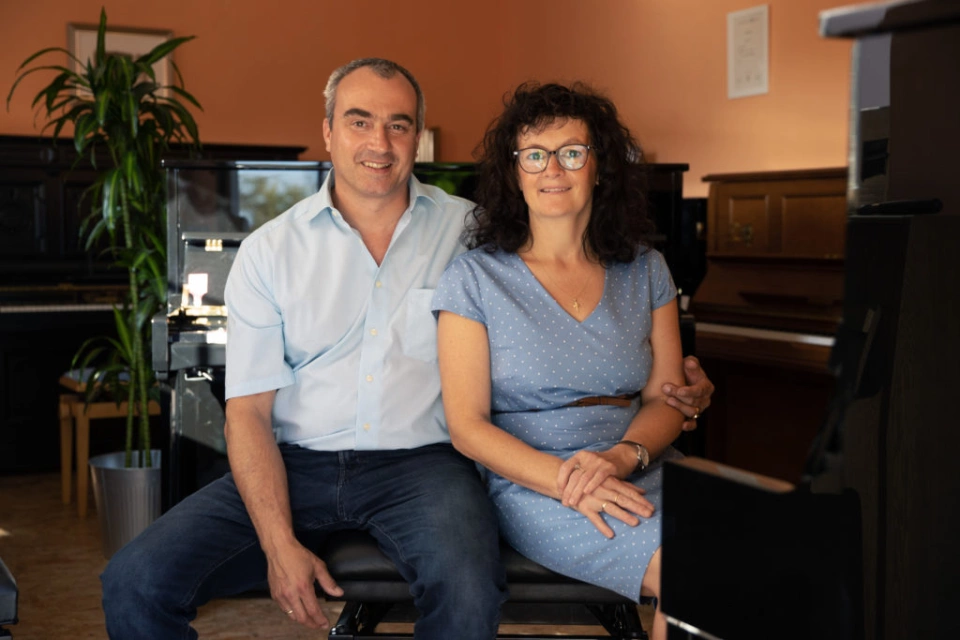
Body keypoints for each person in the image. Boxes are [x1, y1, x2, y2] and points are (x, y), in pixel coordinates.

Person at [100, 59, 712, 639]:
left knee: (468, 588)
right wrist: (278, 542)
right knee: (134, 581)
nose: (380, 141)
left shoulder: (473, 231)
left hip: (422, 467)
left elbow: (559, 286)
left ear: (418, 137)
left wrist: (680, 388)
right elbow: (248, 414)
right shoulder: (269, 250)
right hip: (296, 461)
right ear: (328, 132)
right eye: (359, 121)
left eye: (399, 124)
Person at [432, 81, 694, 640]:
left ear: (600, 168)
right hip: (535, 479)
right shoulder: (473, 279)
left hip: (640, 462)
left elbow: (666, 399)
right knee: (692, 574)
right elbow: (467, 427)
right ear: (514, 171)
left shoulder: (647, 269)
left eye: (572, 152)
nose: (553, 168)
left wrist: (621, 458)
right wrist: (569, 481)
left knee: (759, 552)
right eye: (534, 154)